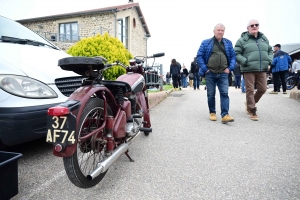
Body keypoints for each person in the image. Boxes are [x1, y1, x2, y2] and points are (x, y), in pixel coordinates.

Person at [234, 19, 273, 121]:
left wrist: (269, 60)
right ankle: (252, 110)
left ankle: (249, 103)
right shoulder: (242, 40)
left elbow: (270, 50)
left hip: (261, 68)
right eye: (252, 25)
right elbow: (236, 54)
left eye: (256, 25)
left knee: (263, 89)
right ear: (248, 28)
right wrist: (245, 61)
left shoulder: (264, 39)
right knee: (250, 90)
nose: (254, 26)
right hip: (248, 68)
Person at [197, 23, 235, 124]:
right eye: (218, 30)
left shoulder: (228, 43)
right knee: (211, 94)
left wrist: (230, 68)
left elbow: (233, 57)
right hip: (210, 73)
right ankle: (212, 112)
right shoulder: (206, 42)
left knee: (224, 94)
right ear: (214, 31)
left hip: (223, 73)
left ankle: (225, 115)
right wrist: (205, 69)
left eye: (222, 30)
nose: (220, 32)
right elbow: (199, 56)